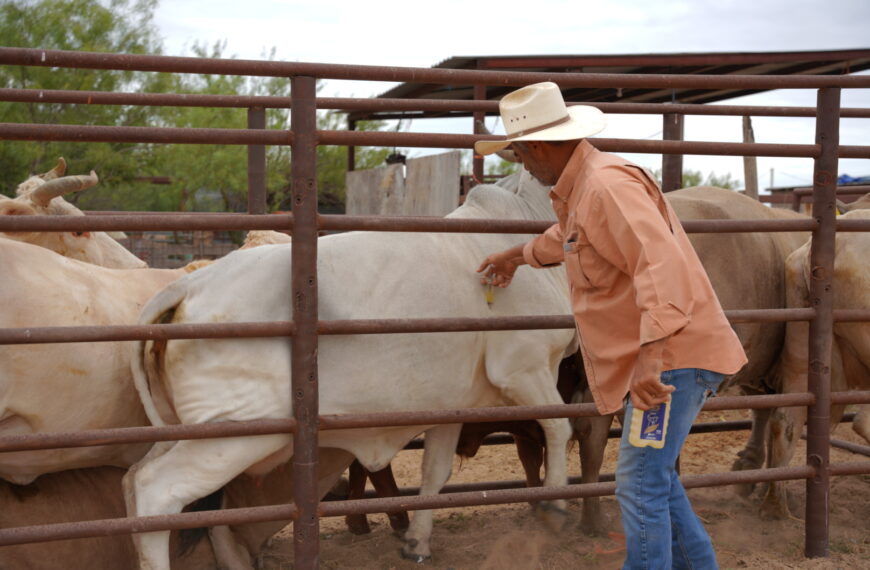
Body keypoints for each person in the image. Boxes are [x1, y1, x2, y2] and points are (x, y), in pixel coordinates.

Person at [475, 82, 747, 570]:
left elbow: (662, 271)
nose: (523, 167)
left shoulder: (607, 188)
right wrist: (516, 256)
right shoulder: (587, 188)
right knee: (655, 481)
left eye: (520, 154)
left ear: (539, 146)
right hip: (667, 358)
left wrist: (650, 362)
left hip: (669, 361)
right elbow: (570, 237)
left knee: (639, 485)